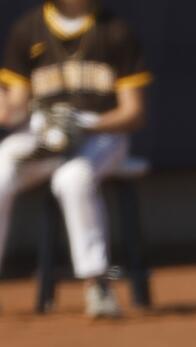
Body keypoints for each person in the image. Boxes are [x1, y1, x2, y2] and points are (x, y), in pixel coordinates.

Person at [0, 0, 149, 318]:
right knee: (0, 170)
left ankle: (97, 285)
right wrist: (7, 107)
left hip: (101, 135)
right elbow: (13, 109)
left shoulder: (114, 31)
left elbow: (133, 113)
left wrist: (88, 123)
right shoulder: (28, 29)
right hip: (45, 135)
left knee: (74, 178)